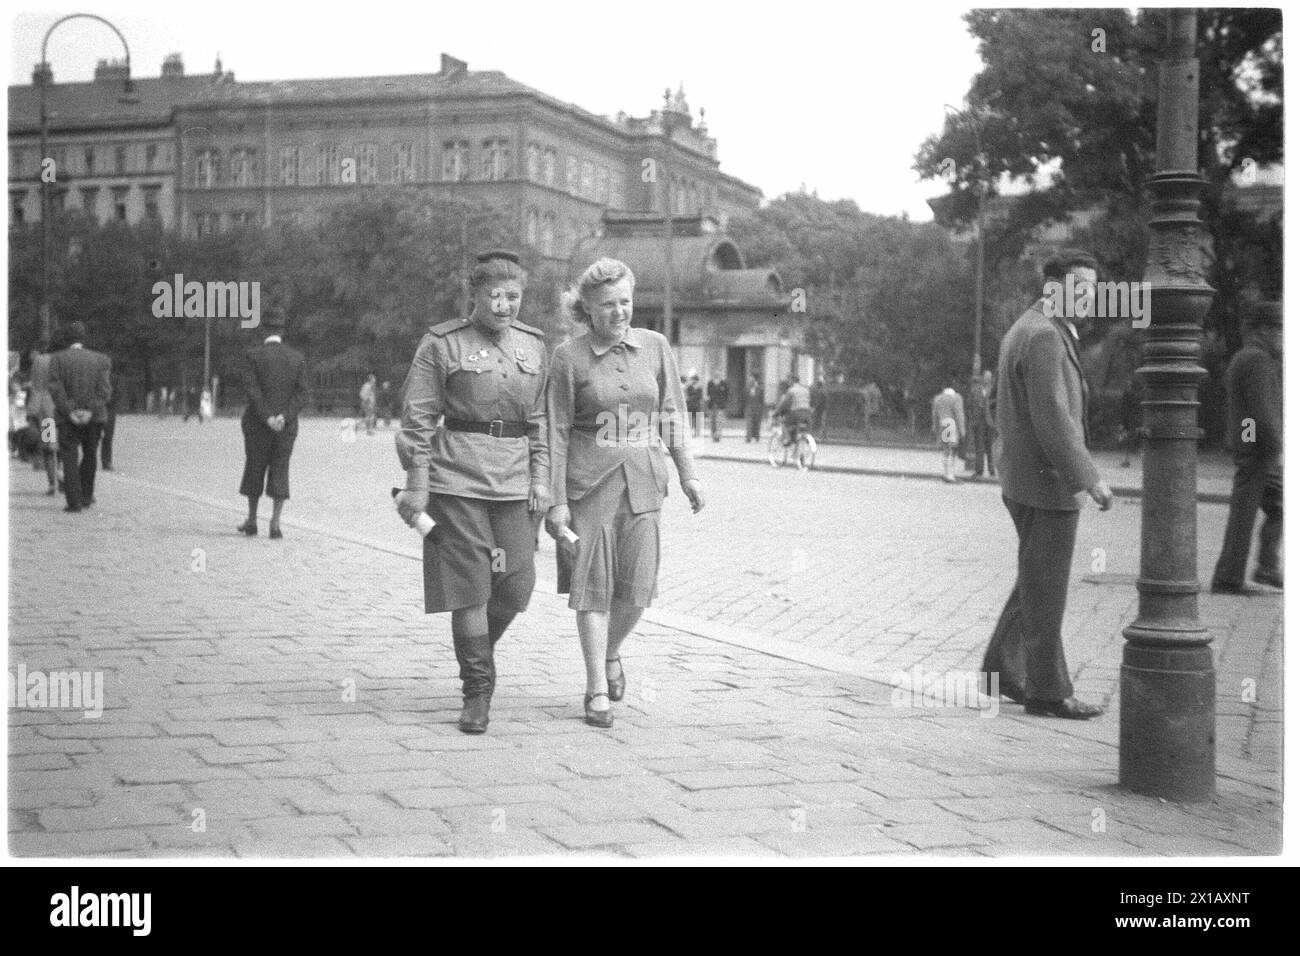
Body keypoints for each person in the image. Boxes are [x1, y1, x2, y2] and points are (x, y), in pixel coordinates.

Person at [394, 250, 550, 735]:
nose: (505, 306)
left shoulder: (535, 345)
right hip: (457, 478)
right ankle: (477, 691)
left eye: (514, 296)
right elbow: (418, 418)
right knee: (470, 587)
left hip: (515, 480)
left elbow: (542, 420)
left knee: (516, 582)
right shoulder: (442, 343)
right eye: (496, 296)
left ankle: (477, 649)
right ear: (475, 296)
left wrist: (542, 478)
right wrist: (417, 483)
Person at [544, 257, 703, 729]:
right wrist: (556, 502)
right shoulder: (567, 358)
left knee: (637, 588)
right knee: (592, 587)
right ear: (587, 310)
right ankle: (596, 686)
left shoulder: (656, 347)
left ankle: (611, 651)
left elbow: (672, 412)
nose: (619, 312)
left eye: (626, 302)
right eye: (607, 305)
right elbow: (554, 431)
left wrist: (688, 473)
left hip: (644, 478)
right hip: (588, 483)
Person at [981, 248, 1112, 720]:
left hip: (1024, 477)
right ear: (1054, 287)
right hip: (1048, 483)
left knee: (1036, 579)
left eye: (1093, 291)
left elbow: (999, 401)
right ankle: (1048, 692)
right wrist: (1089, 478)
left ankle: (1000, 668)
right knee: (1047, 589)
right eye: (1081, 289)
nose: (1089, 299)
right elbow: (1053, 419)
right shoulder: (1045, 337)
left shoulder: (1026, 327)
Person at [1211, 300, 1282, 593]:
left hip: (1251, 445)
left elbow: (1250, 414)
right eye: (1278, 328)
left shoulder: (1247, 356)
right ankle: (1231, 578)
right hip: (1257, 450)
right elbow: (1260, 413)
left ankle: (1263, 569)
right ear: (1263, 330)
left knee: (1274, 506)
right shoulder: (1257, 360)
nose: (1282, 334)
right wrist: (1276, 448)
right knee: (1245, 512)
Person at [237, 306, 309, 540]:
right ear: (282, 330)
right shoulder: (297, 358)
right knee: (280, 470)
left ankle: (252, 519)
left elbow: (252, 390)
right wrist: (283, 416)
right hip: (285, 427)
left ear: (264, 330)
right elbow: (302, 394)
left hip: (258, 424)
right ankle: (275, 523)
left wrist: (267, 416)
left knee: (255, 468)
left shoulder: (252, 356)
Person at [48, 322, 112, 513]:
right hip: (94, 417)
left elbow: (56, 389)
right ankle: (86, 495)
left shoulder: (57, 359)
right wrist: (90, 410)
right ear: (83, 338)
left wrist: (70, 410)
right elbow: (104, 391)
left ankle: (73, 501)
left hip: (66, 418)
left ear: (66, 338)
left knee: (69, 456)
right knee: (90, 454)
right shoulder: (101, 360)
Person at [931, 382, 966, 483]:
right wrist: (962, 430)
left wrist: (935, 427)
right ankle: (951, 475)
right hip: (951, 425)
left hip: (943, 424)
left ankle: (946, 473)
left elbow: (934, 415)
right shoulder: (956, 398)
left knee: (945, 450)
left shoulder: (938, 399)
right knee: (953, 450)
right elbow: (959, 415)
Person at [966, 370, 996, 477]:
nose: (987, 379)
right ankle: (979, 470)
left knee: (990, 448)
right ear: (982, 378)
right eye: (986, 377)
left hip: (990, 422)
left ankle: (992, 470)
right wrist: (972, 418)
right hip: (979, 422)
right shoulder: (975, 390)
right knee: (979, 447)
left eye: (989, 377)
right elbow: (969, 405)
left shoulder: (994, 391)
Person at [775, 375, 812, 446]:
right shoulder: (805, 389)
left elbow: (784, 403)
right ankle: (805, 437)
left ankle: (789, 439)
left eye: (789, 381)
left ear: (792, 381)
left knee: (784, 423)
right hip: (807, 413)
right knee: (802, 427)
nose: (788, 383)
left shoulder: (791, 390)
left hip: (796, 413)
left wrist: (776, 412)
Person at [101, 368, 123, 469]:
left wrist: (109, 401)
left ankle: (107, 461)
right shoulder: (97, 377)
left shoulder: (114, 379)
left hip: (109, 409)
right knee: (92, 437)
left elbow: (118, 393)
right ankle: (89, 460)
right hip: (98, 408)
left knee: (108, 436)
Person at [706, 371, 729, 442]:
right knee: (712, 421)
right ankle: (713, 436)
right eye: (715, 375)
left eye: (718, 375)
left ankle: (718, 436)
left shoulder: (723, 383)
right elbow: (708, 393)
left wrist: (724, 402)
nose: (716, 376)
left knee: (719, 421)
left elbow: (726, 394)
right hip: (712, 405)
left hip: (720, 405)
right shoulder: (710, 383)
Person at [744, 373, 763, 442]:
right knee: (749, 423)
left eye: (751, 377)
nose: (749, 379)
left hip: (757, 407)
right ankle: (748, 437)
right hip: (749, 407)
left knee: (756, 423)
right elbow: (745, 397)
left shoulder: (759, 387)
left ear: (754, 379)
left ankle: (757, 437)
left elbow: (761, 399)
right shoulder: (748, 387)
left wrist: (761, 408)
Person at [684, 373, 704, 438]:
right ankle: (689, 432)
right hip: (690, 405)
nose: (693, 381)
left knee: (697, 420)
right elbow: (688, 395)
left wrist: (692, 397)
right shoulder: (689, 387)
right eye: (692, 379)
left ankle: (697, 433)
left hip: (697, 405)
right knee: (689, 420)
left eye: (694, 380)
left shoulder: (699, 388)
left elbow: (700, 396)